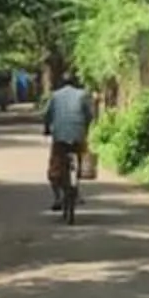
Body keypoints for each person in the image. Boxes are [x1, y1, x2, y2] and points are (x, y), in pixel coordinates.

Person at [43, 75, 95, 209]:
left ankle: (58, 197)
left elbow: (47, 114)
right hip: (78, 135)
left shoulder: (55, 96)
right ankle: (77, 189)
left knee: (55, 167)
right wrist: (86, 128)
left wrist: (47, 128)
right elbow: (89, 115)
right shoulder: (83, 95)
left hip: (60, 137)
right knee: (82, 159)